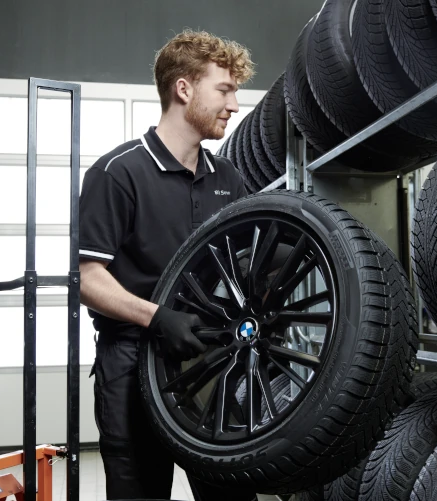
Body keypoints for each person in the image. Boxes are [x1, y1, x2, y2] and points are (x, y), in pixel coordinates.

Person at [78, 29, 258, 500]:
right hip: (133, 358)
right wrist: (157, 316)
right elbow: (89, 280)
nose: (234, 105)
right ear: (183, 88)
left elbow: (248, 262)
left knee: (229, 488)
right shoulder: (118, 172)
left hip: (210, 358)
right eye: (224, 90)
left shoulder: (228, 178)